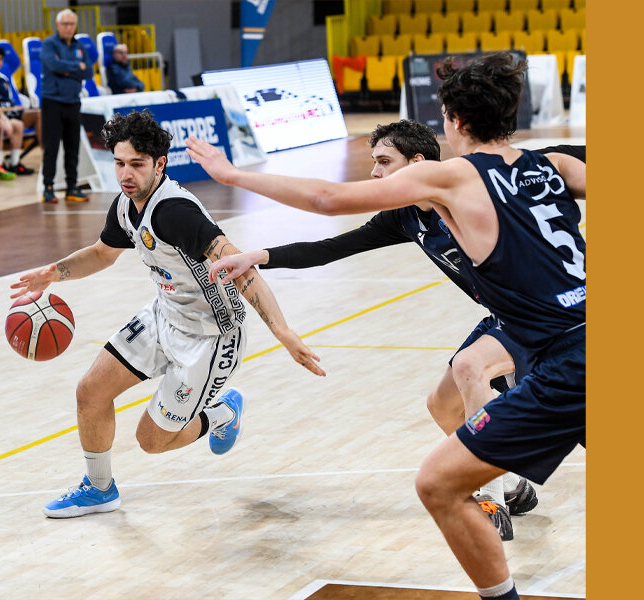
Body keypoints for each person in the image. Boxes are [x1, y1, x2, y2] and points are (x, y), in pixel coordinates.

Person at [186, 53, 585, 600]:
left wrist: (231, 175)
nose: (376, 171)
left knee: (439, 481)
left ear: (453, 120)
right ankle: (510, 480)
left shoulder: (451, 176)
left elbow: (327, 199)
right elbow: (337, 243)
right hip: (574, 334)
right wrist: (264, 255)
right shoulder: (553, 164)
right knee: (447, 401)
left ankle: (498, 503)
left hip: (566, 358)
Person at [9, 110, 323, 519]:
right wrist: (55, 273)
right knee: (90, 391)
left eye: (137, 164)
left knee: (152, 441)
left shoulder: (175, 213)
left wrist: (282, 331)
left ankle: (223, 412)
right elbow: (103, 253)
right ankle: (99, 489)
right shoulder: (126, 205)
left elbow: (239, 266)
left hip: (210, 337)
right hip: (164, 315)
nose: (126, 174)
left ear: (160, 164)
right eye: (119, 163)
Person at [39, 8, 92, 203]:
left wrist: (67, 69)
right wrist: (77, 66)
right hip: (52, 101)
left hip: (73, 102)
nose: (69, 28)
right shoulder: (49, 44)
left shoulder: (79, 46)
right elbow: (53, 65)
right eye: (65, 24)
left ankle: (71, 187)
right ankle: (48, 187)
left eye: (72, 24)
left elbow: (89, 72)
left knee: (72, 147)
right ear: (57, 25)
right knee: (51, 147)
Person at [0, 45, 41, 174]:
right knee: (14, 124)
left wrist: (14, 108)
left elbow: (10, 100)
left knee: (39, 114)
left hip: (11, 112)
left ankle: (45, 156)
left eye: (1, 60)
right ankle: (0, 165)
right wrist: (6, 113)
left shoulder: (3, 79)